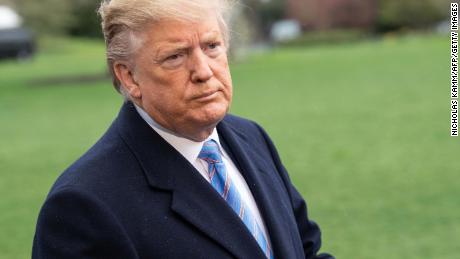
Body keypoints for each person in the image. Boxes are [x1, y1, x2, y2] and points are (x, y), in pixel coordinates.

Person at [32, 0, 334, 258]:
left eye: (212, 46)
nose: (204, 71)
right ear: (129, 77)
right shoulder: (83, 206)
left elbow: (306, 249)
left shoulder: (252, 138)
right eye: (175, 56)